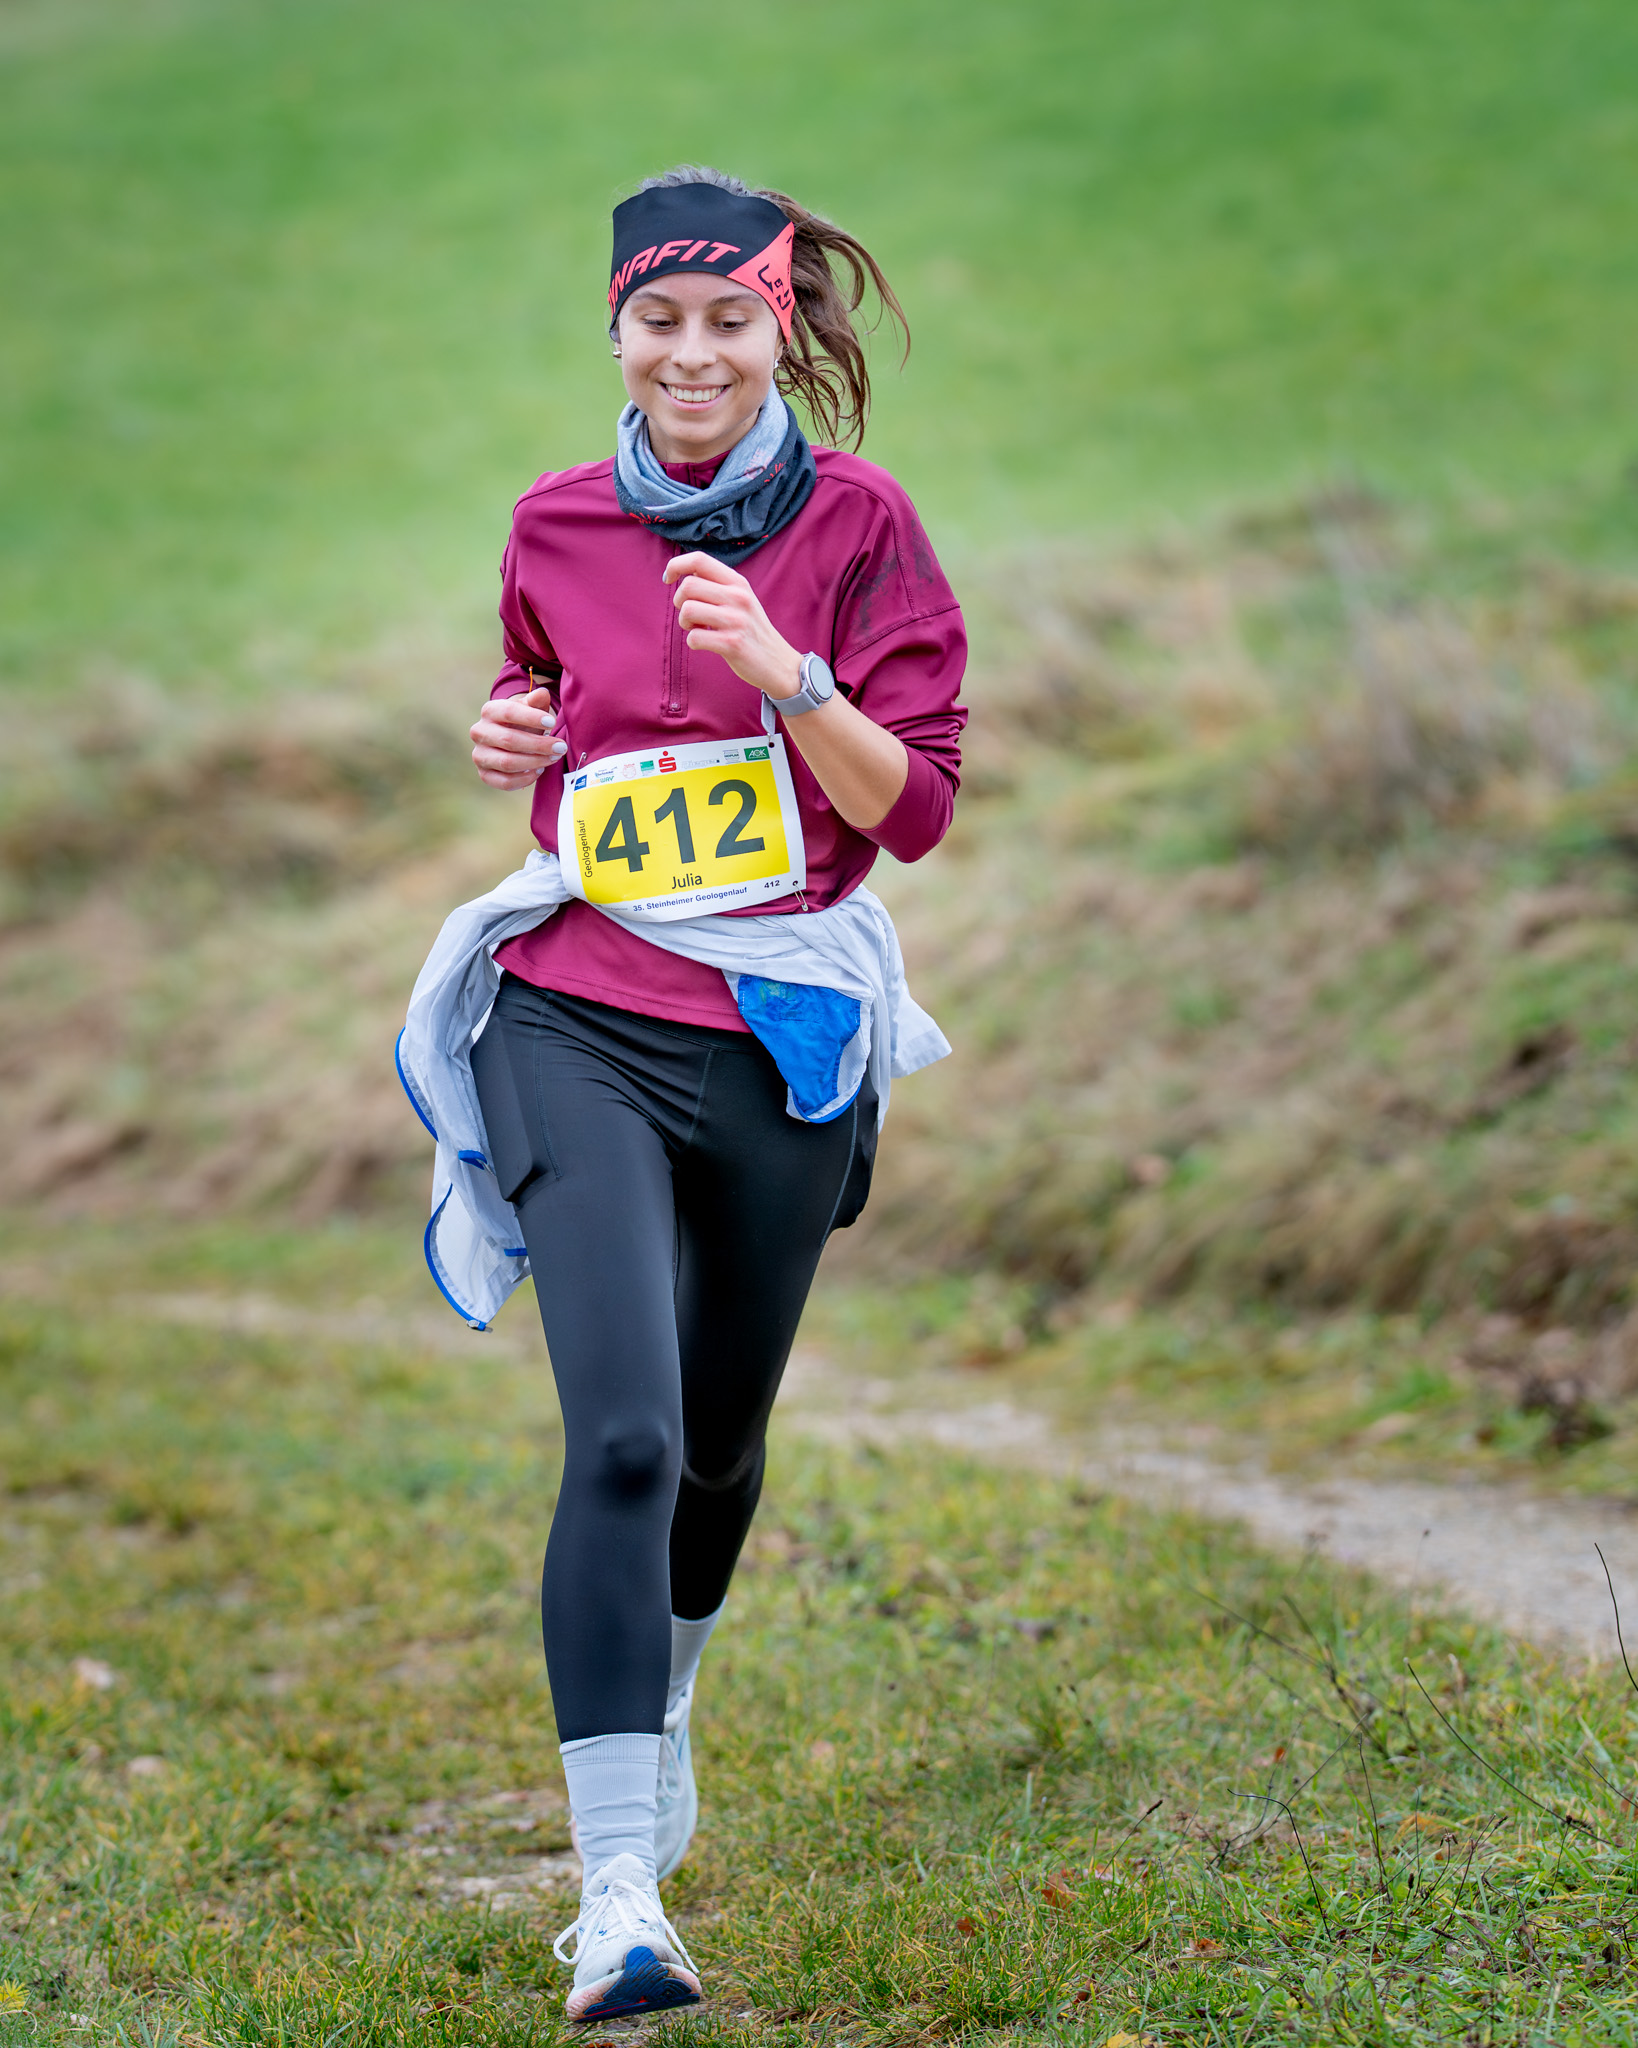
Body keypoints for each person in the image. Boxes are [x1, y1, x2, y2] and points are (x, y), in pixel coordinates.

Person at [430, 166, 966, 2021]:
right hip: (571, 1009)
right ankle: (613, 1898)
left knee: (720, 1449)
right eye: (657, 320)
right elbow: (550, 730)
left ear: (779, 328)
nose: (691, 354)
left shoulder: (862, 525)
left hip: (777, 1032)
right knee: (627, 1442)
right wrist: (510, 732)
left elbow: (915, 810)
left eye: (728, 319)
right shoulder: (552, 518)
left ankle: (659, 1714)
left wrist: (790, 677)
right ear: (616, 330)